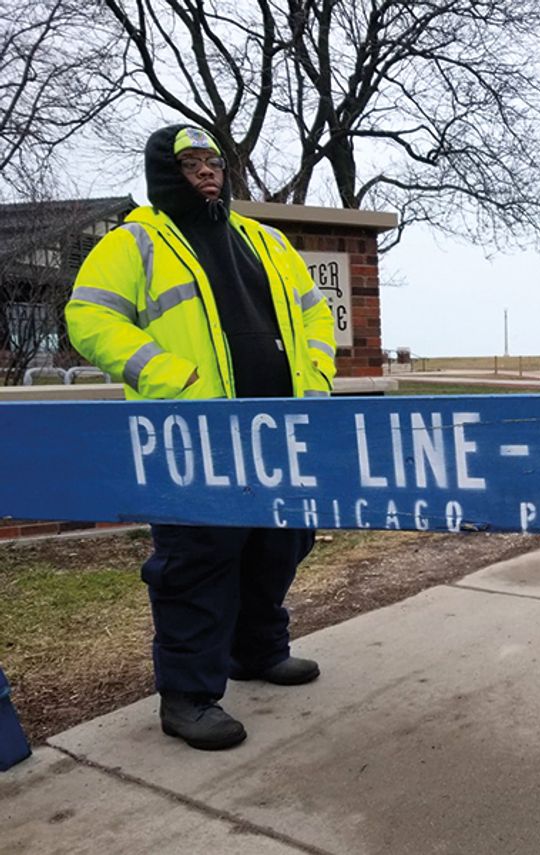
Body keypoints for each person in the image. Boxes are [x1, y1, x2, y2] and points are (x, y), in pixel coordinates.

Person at [65, 125, 337, 750]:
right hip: (192, 438)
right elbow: (89, 318)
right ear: (165, 173)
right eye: (191, 164)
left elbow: (314, 312)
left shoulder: (264, 240)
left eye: (213, 162)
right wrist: (172, 379)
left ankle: (257, 651)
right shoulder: (134, 242)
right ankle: (187, 697)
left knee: (280, 544)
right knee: (197, 562)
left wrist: (317, 376)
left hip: (278, 432)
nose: (207, 173)